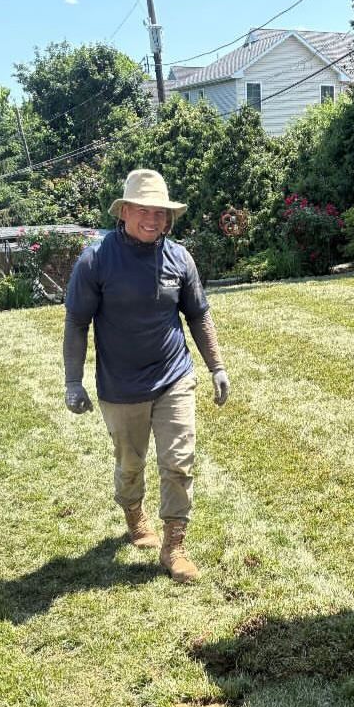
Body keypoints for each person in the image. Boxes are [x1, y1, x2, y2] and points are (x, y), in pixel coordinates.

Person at [62, 169, 229, 583]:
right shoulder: (96, 260)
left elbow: (198, 314)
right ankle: (134, 516)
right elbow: (76, 322)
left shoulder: (179, 258)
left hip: (174, 376)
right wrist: (72, 380)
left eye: (161, 212)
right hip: (121, 387)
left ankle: (175, 546)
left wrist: (217, 366)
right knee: (130, 465)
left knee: (179, 461)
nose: (153, 219)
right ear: (125, 212)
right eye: (143, 210)